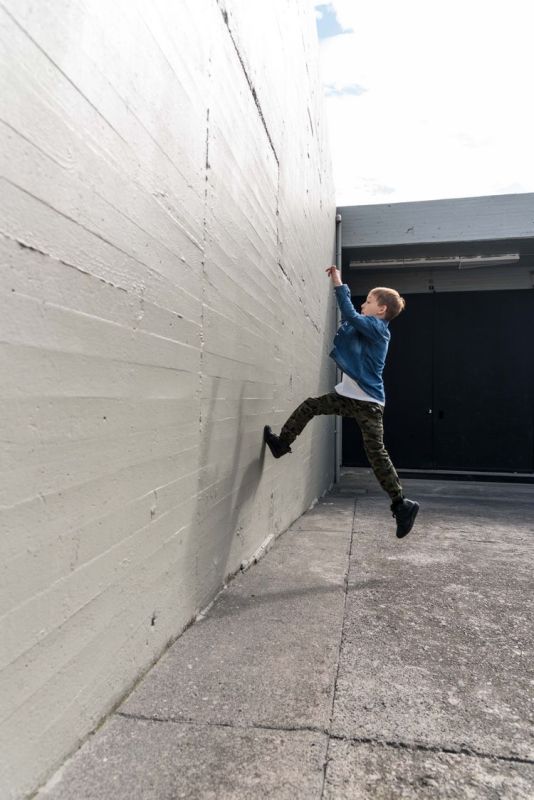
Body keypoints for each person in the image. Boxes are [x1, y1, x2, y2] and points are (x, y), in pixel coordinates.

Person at [263, 265, 419, 538]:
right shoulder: (369, 327)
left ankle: (401, 504)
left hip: (369, 403)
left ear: (381, 309)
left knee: (376, 453)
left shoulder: (378, 328)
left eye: (368, 301)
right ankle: (281, 444)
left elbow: (349, 314)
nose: (363, 304)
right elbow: (351, 324)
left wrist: (338, 283)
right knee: (311, 405)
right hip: (351, 398)